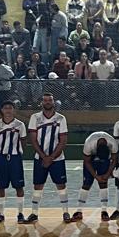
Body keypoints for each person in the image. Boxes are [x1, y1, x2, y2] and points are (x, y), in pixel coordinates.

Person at [29, 92, 70, 223]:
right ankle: (34, 213)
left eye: (50, 100)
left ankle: (65, 212)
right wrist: (43, 157)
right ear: (41, 102)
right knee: (38, 185)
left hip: (57, 158)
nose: (47, 102)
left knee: (61, 184)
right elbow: (33, 140)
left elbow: (63, 141)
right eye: (45, 100)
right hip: (40, 157)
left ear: (53, 102)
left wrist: (50, 157)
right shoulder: (34, 117)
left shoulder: (61, 118)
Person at [0, 101, 28, 223]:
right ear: (1, 110)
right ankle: (1, 214)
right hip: (2, 158)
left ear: (14, 110)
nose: (7, 110)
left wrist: (16, 152)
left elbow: (23, 141)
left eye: (10, 108)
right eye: (5, 108)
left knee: (19, 186)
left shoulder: (20, 125)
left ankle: (20, 214)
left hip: (15, 159)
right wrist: (3, 151)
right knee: (0, 186)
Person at [79, 130, 118, 221]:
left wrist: (108, 173)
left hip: (104, 161)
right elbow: (87, 162)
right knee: (86, 183)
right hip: (90, 159)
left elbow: (114, 160)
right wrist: (96, 177)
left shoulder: (113, 143)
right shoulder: (88, 143)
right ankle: (79, 211)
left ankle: (104, 211)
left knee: (104, 183)